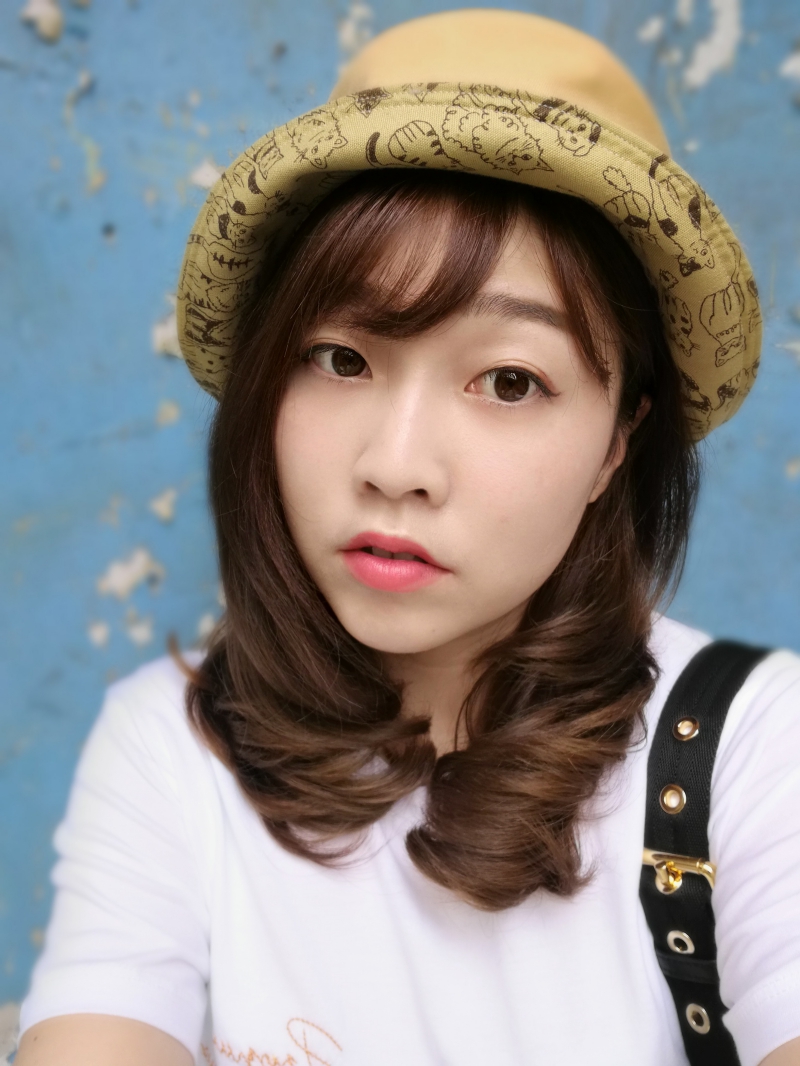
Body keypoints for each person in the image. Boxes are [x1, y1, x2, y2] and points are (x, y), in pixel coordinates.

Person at [15, 10, 800, 1066]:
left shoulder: (751, 749)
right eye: (340, 358)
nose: (395, 463)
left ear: (618, 441)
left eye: (509, 381)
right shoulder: (173, 746)